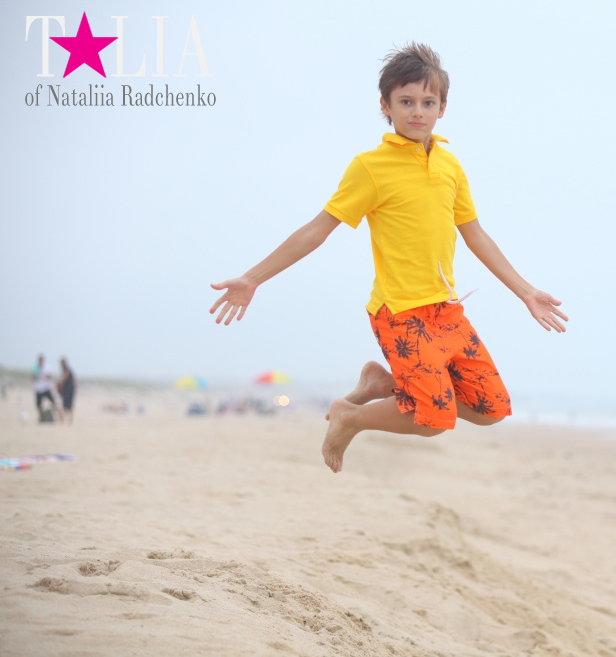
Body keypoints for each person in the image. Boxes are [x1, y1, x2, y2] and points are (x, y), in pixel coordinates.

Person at [211, 43, 567, 474]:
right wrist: (253, 278)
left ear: (442, 108)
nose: (417, 112)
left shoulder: (451, 166)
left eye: (427, 102)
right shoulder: (371, 167)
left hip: (446, 311)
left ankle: (382, 385)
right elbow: (317, 230)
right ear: (386, 105)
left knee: (490, 408)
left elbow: (476, 236)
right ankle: (351, 415)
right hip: (400, 312)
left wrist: (526, 292)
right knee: (432, 420)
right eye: (406, 102)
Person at [32, 354, 61, 423]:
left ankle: (60, 417)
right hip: (38, 389)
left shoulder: (47, 367)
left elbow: (50, 376)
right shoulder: (35, 367)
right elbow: (32, 377)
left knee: (54, 402)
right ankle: (41, 417)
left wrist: (44, 376)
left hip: (46, 388)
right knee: (38, 405)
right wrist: (37, 375)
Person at [57, 357, 76, 424]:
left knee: (67, 404)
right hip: (70, 388)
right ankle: (69, 419)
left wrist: (60, 383)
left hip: (69, 389)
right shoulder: (66, 368)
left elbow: (65, 376)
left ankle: (64, 419)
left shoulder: (65, 368)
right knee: (69, 405)